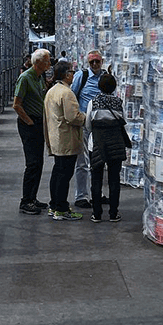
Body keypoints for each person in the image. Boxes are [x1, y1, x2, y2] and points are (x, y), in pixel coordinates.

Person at [84, 73, 132, 223]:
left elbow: (87, 124)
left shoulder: (93, 102)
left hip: (97, 144)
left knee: (96, 179)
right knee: (114, 179)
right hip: (116, 144)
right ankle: (113, 213)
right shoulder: (119, 103)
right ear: (114, 87)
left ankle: (96, 213)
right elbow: (123, 121)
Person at [43, 61, 85, 221]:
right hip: (66, 139)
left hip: (56, 138)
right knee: (64, 174)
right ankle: (61, 208)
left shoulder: (52, 91)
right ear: (67, 74)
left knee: (58, 172)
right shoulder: (66, 93)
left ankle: (54, 205)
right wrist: (85, 117)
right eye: (72, 72)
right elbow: (72, 116)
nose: (74, 75)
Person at [13, 49, 52, 215]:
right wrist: (29, 122)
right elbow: (17, 104)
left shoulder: (38, 78)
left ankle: (32, 197)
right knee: (32, 163)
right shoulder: (26, 78)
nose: (49, 64)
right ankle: (26, 201)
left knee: (38, 163)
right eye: (47, 61)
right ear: (39, 63)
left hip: (37, 122)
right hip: (29, 124)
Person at [69, 50, 106, 209]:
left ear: (102, 62)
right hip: (84, 125)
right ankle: (81, 196)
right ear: (88, 63)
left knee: (99, 161)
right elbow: (72, 97)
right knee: (82, 162)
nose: (95, 65)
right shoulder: (81, 77)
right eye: (92, 62)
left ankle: (98, 193)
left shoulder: (105, 77)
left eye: (97, 61)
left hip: (100, 126)